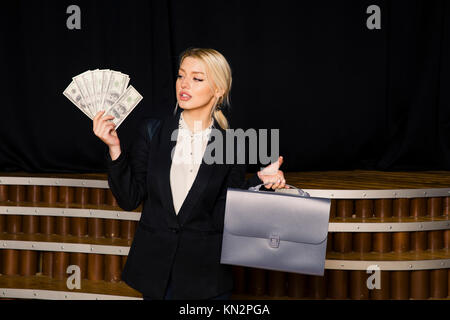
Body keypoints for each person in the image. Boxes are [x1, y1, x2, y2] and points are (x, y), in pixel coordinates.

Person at [93, 48, 288, 300]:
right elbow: (129, 199)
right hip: (157, 276)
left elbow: (222, 216)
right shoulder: (153, 131)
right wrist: (114, 148)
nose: (184, 84)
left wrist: (259, 185)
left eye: (197, 78)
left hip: (206, 279)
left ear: (218, 90)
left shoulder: (232, 145)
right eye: (181, 76)